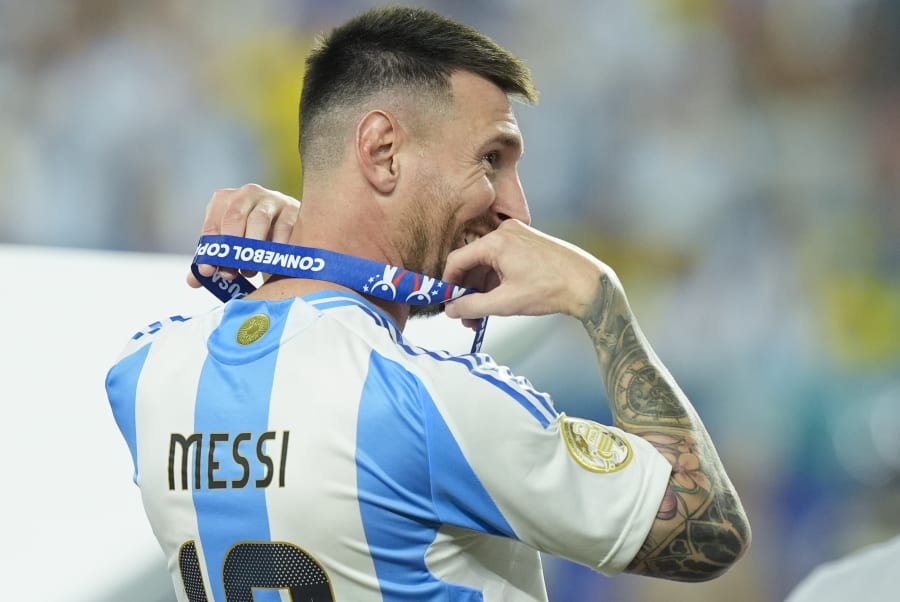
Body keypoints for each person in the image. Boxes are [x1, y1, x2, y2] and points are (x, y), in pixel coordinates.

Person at [106, 6, 751, 601]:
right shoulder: (436, 404)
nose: (517, 209)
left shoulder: (148, 375)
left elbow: (294, 375)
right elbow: (709, 527)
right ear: (382, 151)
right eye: (491, 159)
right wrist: (601, 300)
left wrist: (311, 246)